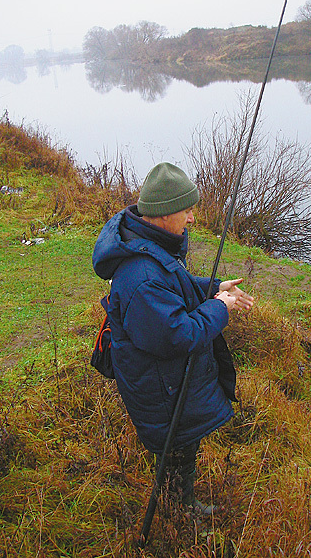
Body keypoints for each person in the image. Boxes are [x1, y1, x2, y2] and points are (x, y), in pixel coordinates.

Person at [92, 162, 253, 511]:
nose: (193, 218)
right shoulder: (141, 274)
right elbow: (178, 335)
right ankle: (179, 513)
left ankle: (180, 502)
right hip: (161, 388)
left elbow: (173, 287)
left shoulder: (151, 246)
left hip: (167, 381)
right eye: (188, 210)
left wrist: (214, 288)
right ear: (165, 215)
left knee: (183, 444)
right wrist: (220, 307)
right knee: (177, 445)